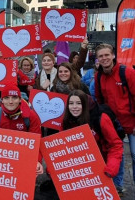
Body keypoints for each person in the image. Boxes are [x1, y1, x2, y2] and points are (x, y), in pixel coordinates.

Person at [94, 43, 135, 196]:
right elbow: (99, 99)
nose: (104, 58)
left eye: (106, 55)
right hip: (112, 123)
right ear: (97, 59)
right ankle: (118, 186)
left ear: (113, 56)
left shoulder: (128, 73)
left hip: (131, 123)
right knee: (118, 154)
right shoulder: (98, 76)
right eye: (101, 56)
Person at [0, 84, 43, 175]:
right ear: (2, 100)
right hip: (3, 156)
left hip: (24, 155)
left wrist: (37, 161)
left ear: (19, 99)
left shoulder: (31, 116)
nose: (10, 101)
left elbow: (37, 142)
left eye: (14, 97)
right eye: (6, 98)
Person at [63, 90, 123, 177]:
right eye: (71, 103)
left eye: (79, 103)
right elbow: (62, 147)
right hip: (80, 166)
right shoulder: (67, 120)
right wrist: (54, 168)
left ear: (85, 105)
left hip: (102, 164)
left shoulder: (101, 119)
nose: (74, 107)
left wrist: (111, 168)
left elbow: (115, 145)